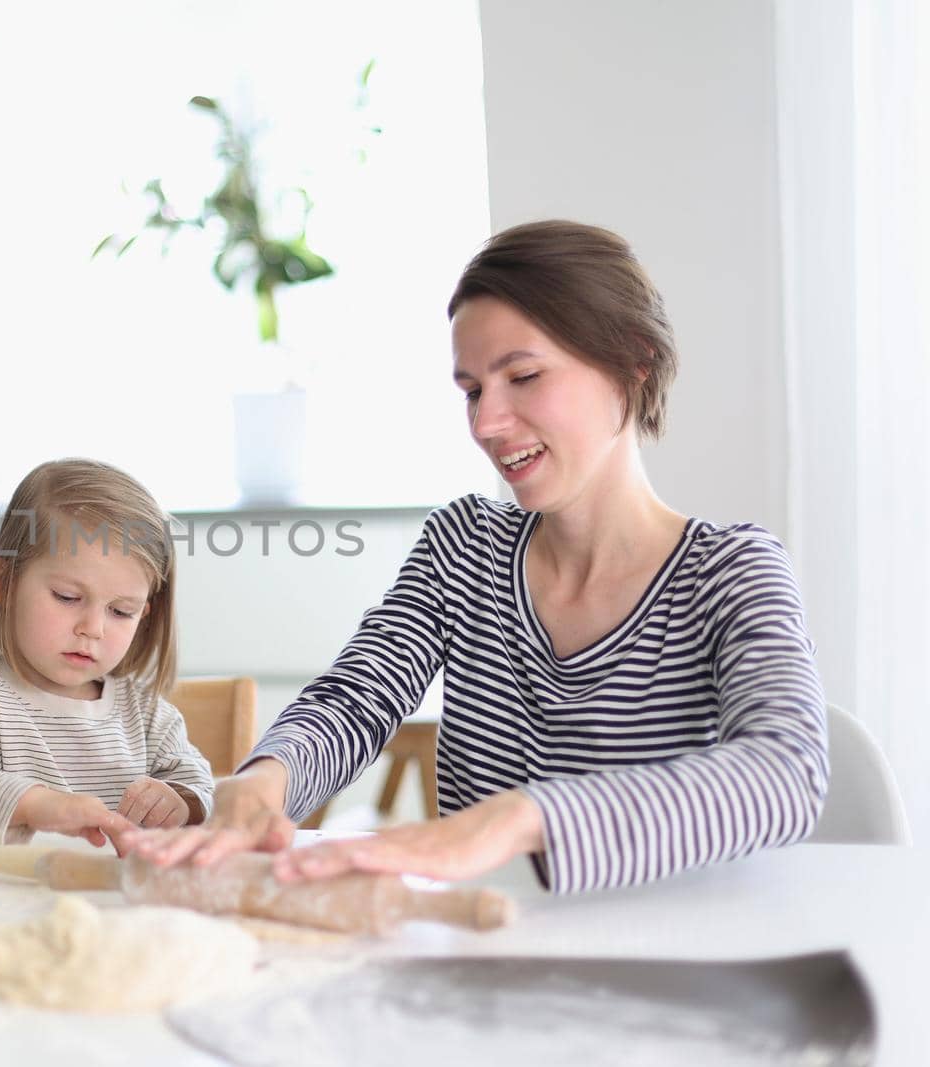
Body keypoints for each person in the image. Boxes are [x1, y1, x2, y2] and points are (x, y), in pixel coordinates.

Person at [130, 220, 829, 895]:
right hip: (486, 939)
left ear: (631, 362)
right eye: (471, 390)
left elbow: (785, 772)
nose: (487, 423)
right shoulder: (463, 548)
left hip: (665, 965)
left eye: (522, 376)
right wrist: (266, 778)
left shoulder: (733, 571)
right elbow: (356, 699)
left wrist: (523, 818)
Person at [0, 458, 214, 848]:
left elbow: (201, 786)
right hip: (13, 900)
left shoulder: (145, 714)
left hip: (118, 904)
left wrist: (181, 800)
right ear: (4, 583)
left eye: (120, 611)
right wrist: (32, 804)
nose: (92, 628)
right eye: (67, 597)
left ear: (144, 615)